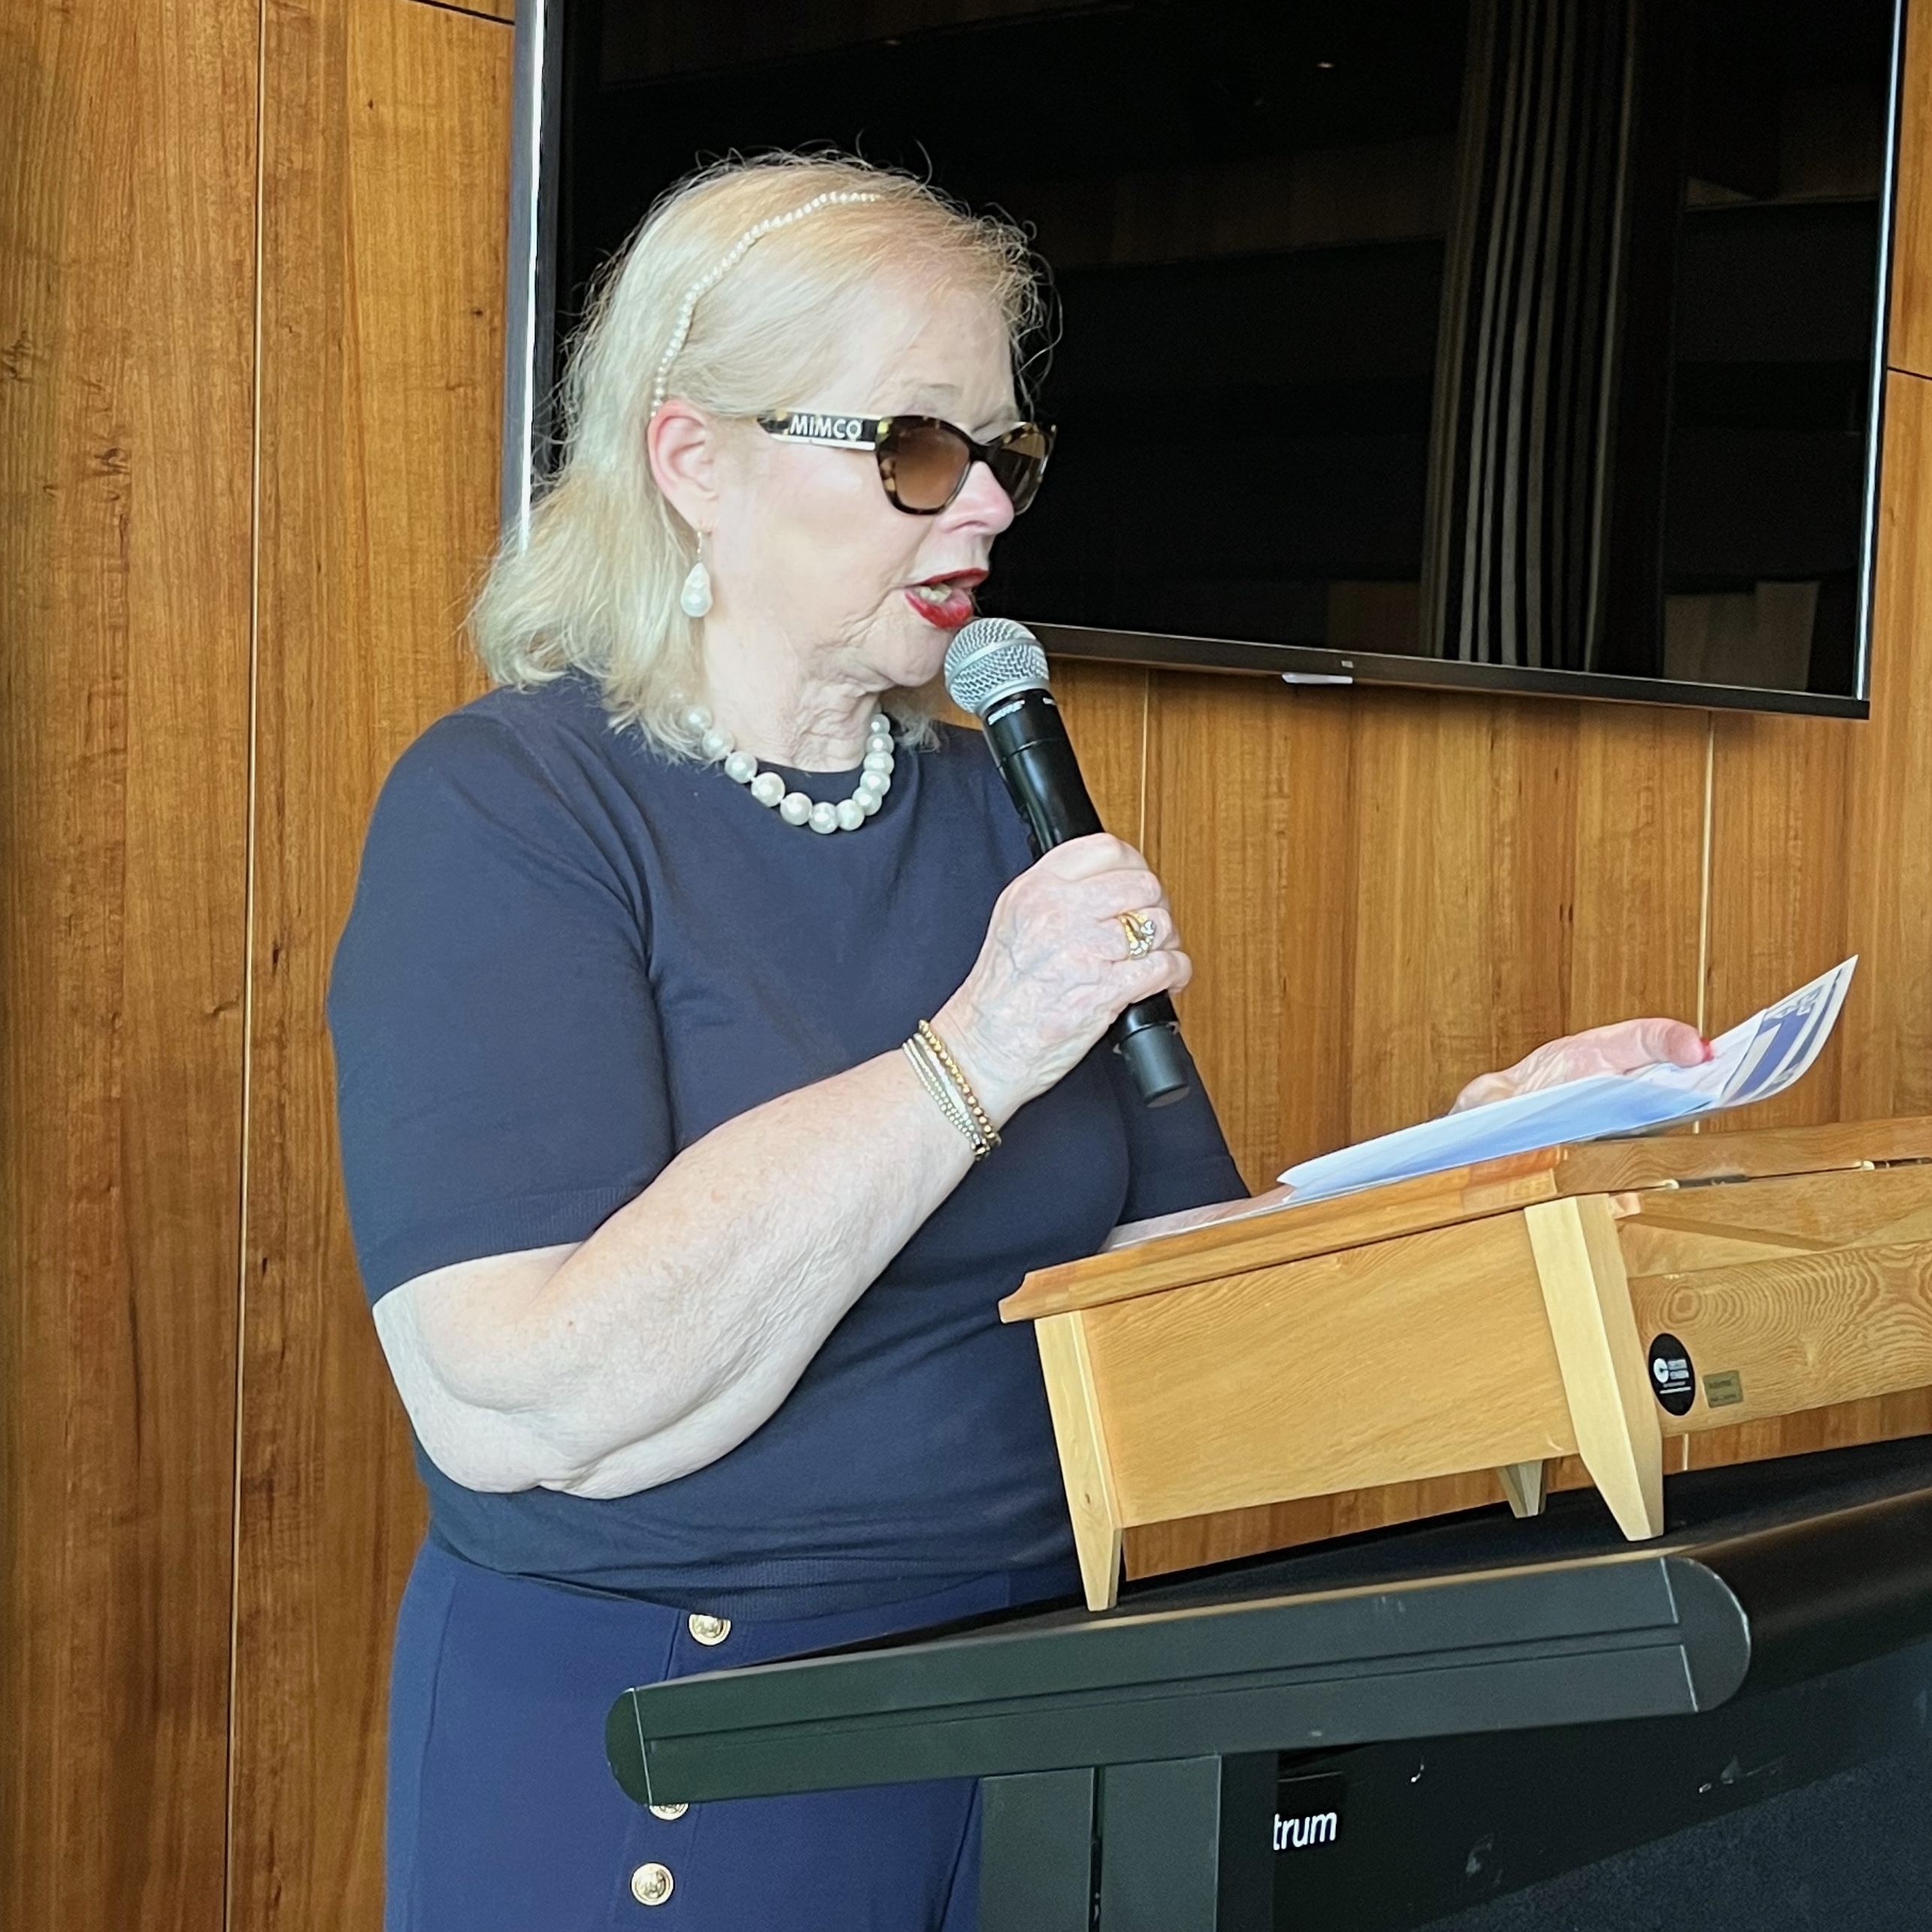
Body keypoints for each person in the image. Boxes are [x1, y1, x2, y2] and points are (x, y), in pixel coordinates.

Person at [328, 153, 1709, 1932]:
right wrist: (974, 1049)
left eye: (1004, 452)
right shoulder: (511, 805)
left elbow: (1181, 1304)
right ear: (694, 461)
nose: (981, 504)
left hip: (1050, 1691)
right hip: (684, 1722)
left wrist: (1481, 1158)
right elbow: (527, 1395)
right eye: (914, 448)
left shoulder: (1002, 802)